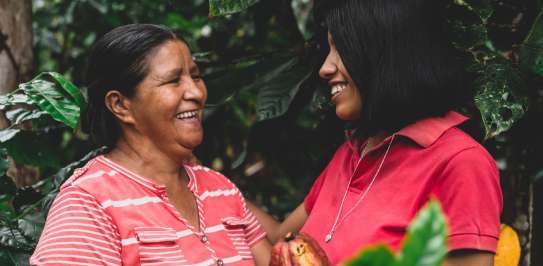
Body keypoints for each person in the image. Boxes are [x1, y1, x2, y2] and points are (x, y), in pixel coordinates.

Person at [249, 0, 502, 265]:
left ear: (383, 51)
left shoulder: (460, 162)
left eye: (340, 48)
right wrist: (207, 182)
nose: (325, 68)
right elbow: (281, 238)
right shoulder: (352, 152)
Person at [30, 24, 271, 266]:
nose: (197, 92)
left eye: (195, 76)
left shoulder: (219, 188)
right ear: (120, 105)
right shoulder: (89, 203)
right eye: (174, 80)